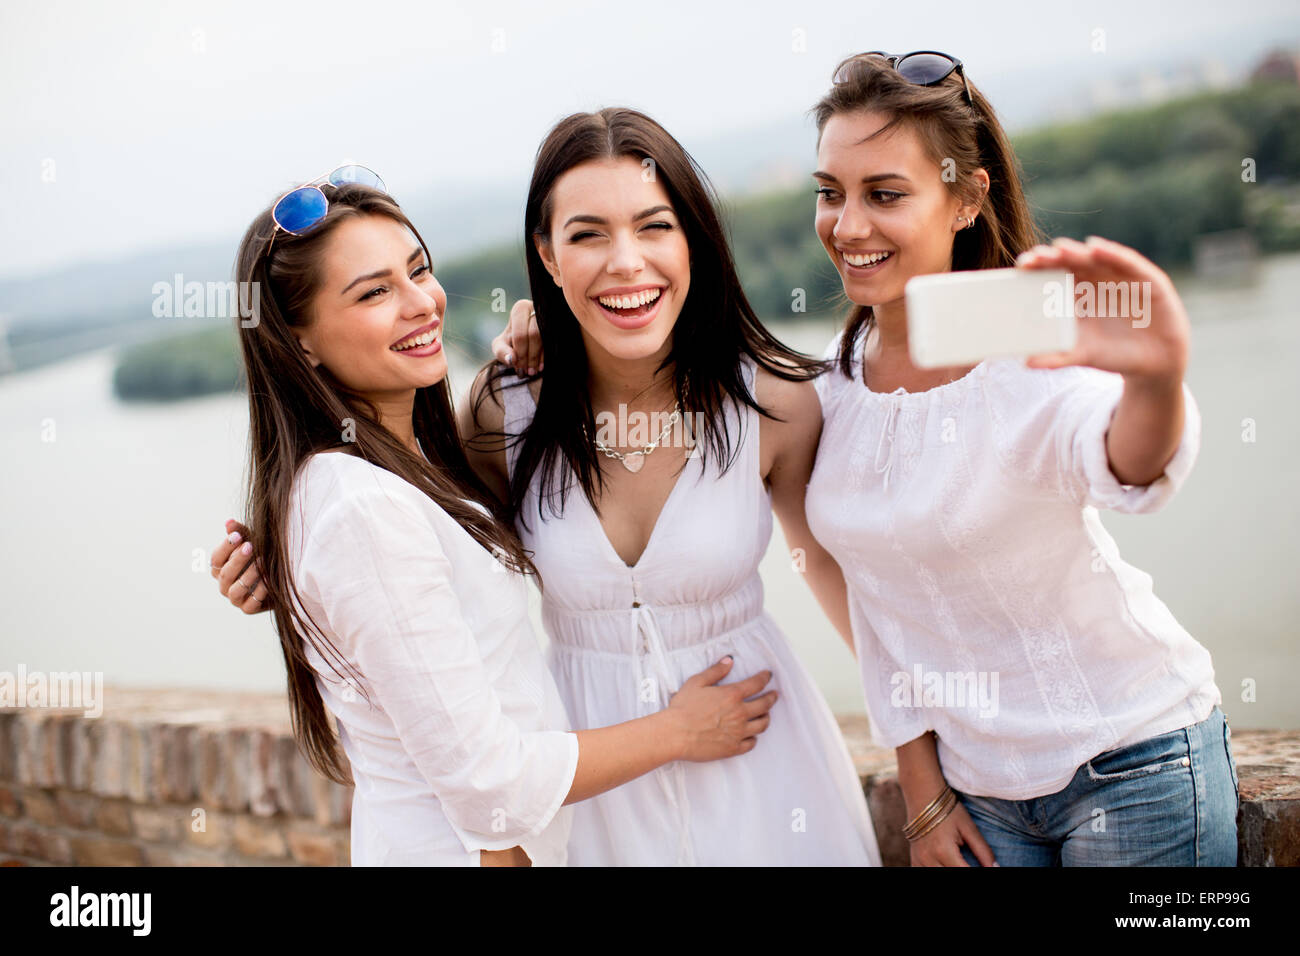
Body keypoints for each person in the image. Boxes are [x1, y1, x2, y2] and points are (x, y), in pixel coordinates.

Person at [217, 168, 777, 866]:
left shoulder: (398, 471)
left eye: (418, 271)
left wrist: (552, 321)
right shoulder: (359, 504)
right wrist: (680, 731)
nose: (420, 303)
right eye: (375, 292)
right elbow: (495, 789)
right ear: (299, 339)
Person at [801, 51, 1238, 866]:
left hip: (1134, 763)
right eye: (831, 193)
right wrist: (923, 791)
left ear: (967, 197)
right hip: (979, 793)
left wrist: (1157, 375)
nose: (848, 226)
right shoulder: (826, 387)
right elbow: (875, 611)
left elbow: (1129, 464)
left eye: (885, 194)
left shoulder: (1027, 347)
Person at [462, 108, 880, 866]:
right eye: (587, 234)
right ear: (548, 257)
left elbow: (841, 570)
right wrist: (282, 562)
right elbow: (416, 557)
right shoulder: (505, 408)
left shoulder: (776, 400)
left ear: (693, 240)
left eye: (654, 226)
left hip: (767, 770)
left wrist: (926, 744)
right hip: (595, 796)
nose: (626, 262)